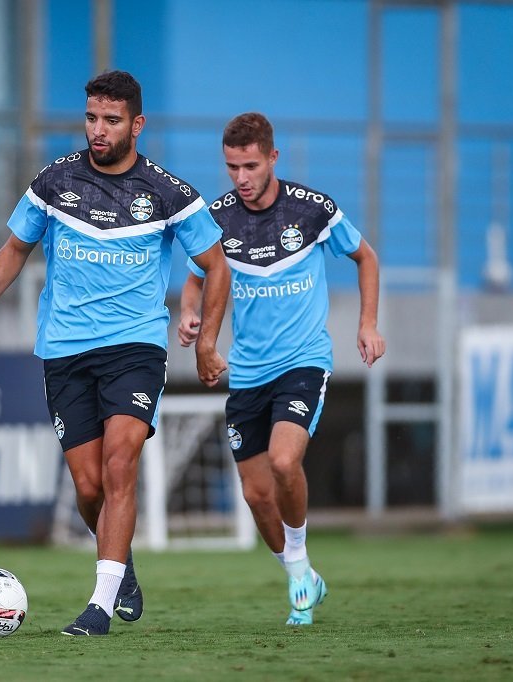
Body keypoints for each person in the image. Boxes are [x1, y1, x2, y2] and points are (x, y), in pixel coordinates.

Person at [0, 71, 230, 636]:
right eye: (91, 118)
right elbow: (15, 248)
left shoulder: (169, 193)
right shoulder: (55, 181)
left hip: (135, 347)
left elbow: (217, 264)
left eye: (111, 120)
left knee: (119, 463)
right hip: (63, 349)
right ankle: (120, 563)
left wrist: (206, 341)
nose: (98, 130)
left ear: (137, 124)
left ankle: (99, 607)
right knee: (88, 488)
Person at [178, 113, 386, 626]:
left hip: (303, 360)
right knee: (254, 494)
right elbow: (195, 277)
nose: (241, 177)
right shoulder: (217, 216)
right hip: (247, 371)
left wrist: (367, 324)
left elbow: (366, 258)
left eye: (250, 165)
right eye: (232, 167)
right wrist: (188, 313)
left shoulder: (313, 210)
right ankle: (301, 573)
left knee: (284, 462)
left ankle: (298, 571)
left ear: (273, 157)